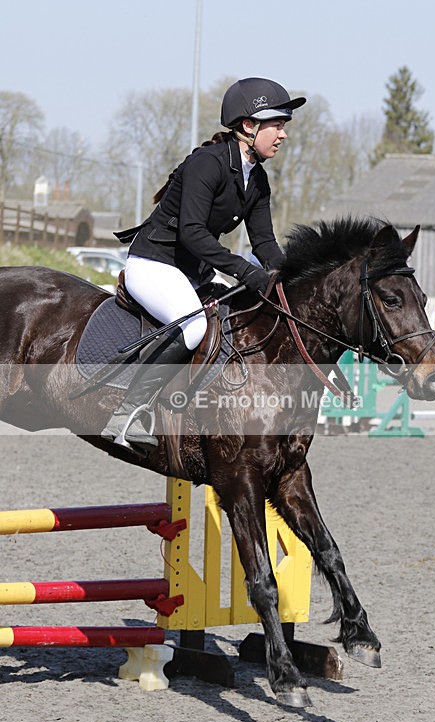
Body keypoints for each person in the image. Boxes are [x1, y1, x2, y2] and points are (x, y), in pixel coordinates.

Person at [101, 77, 306, 450]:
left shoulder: (257, 180)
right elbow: (192, 232)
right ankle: (126, 413)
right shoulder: (207, 164)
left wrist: (294, 279)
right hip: (154, 263)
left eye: (283, 126)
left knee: (236, 320)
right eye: (277, 125)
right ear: (248, 125)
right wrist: (244, 270)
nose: (283, 134)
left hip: (192, 272)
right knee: (195, 327)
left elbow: (264, 243)